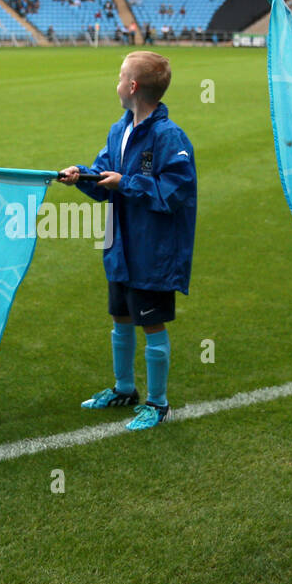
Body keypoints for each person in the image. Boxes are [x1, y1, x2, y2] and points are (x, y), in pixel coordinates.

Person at [58, 51, 197, 431]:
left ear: (132, 87)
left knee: (151, 323)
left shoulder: (169, 137)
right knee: (120, 317)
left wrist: (127, 183)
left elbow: (176, 191)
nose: (116, 83)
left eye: (120, 76)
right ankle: (124, 389)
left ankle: (158, 403)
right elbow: (105, 178)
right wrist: (82, 176)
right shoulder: (118, 130)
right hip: (120, 244)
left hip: (152, 251)